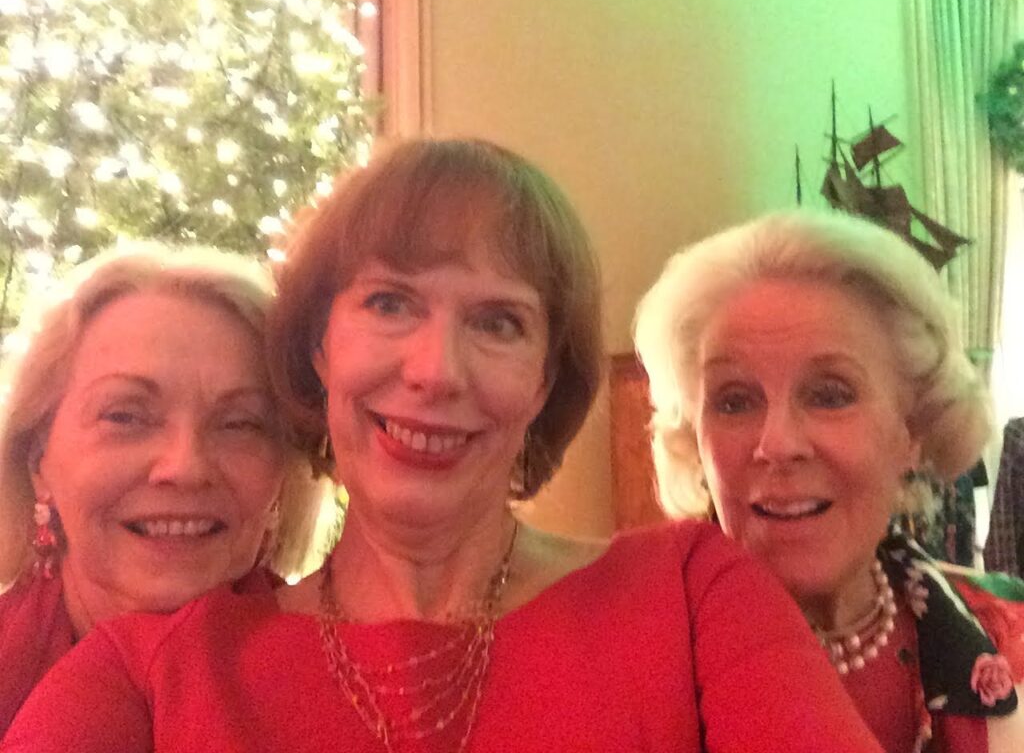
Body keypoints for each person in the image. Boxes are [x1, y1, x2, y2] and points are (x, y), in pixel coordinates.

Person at [4, 141, 884, 752]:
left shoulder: (692, 597)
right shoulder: (152, 672)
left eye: (499, 323)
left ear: (544, 380)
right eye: (390, 303)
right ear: (319, 347)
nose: (436, 371)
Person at [634, 210, 1024, 752]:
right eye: (734, 401)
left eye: (829, 395)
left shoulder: (1012, 639)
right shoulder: (624, 672)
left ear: (912, 428)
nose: (777, 445)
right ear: (694, 438)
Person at [0, 244, 324, 734]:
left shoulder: (352, 694)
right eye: (125, 416)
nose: (186, 467)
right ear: (37, 460)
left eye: (239, 423)